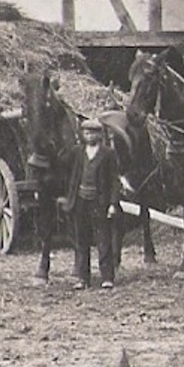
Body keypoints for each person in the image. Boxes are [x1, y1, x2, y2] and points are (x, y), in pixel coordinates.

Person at [61, 117, 122, 290]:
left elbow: (114, 181)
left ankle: (107, 277)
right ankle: (82, 278)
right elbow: (64, 168)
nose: (89, 135)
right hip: (80, 201)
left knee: (103, 240)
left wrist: (112, 204)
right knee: (81, 240)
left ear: (99, 134)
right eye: (86, 132)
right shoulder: (77, 152)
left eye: (92, 132)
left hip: (99, 202)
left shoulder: (108, 153)